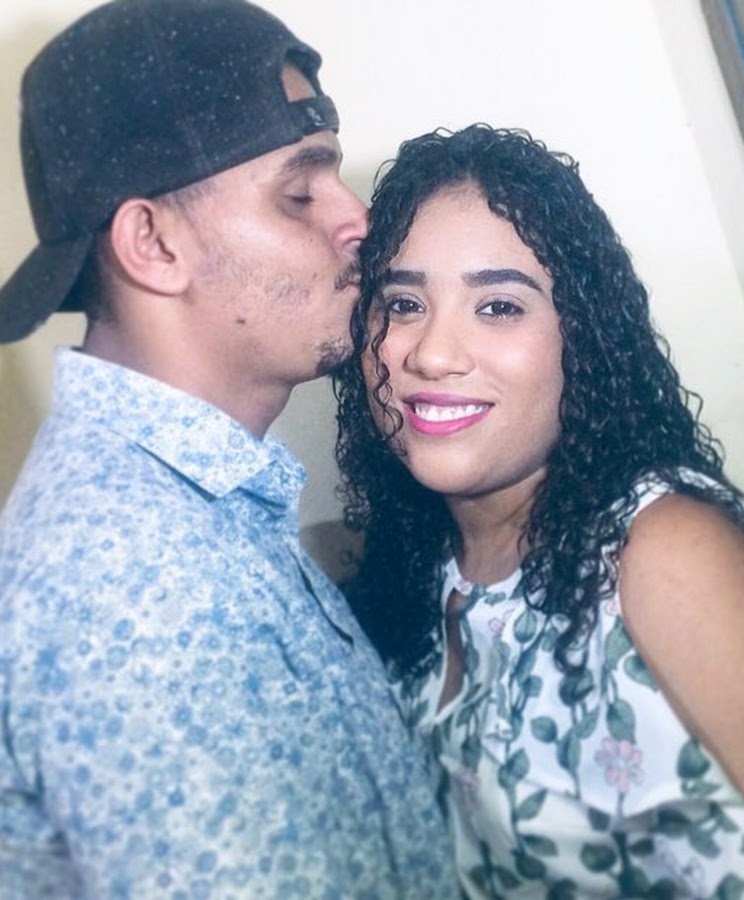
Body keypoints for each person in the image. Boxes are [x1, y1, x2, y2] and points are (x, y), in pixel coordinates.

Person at [334, 123, 744, 898]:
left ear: (585, 339)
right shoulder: (414, 570)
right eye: (403, 303)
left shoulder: (668, 555)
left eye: (498, 306)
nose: (431, 353)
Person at [0, 2, 458, 897]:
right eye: (300, 193)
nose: (359, 219)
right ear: (153, 244)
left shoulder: (185, 511)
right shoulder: (135, 588)